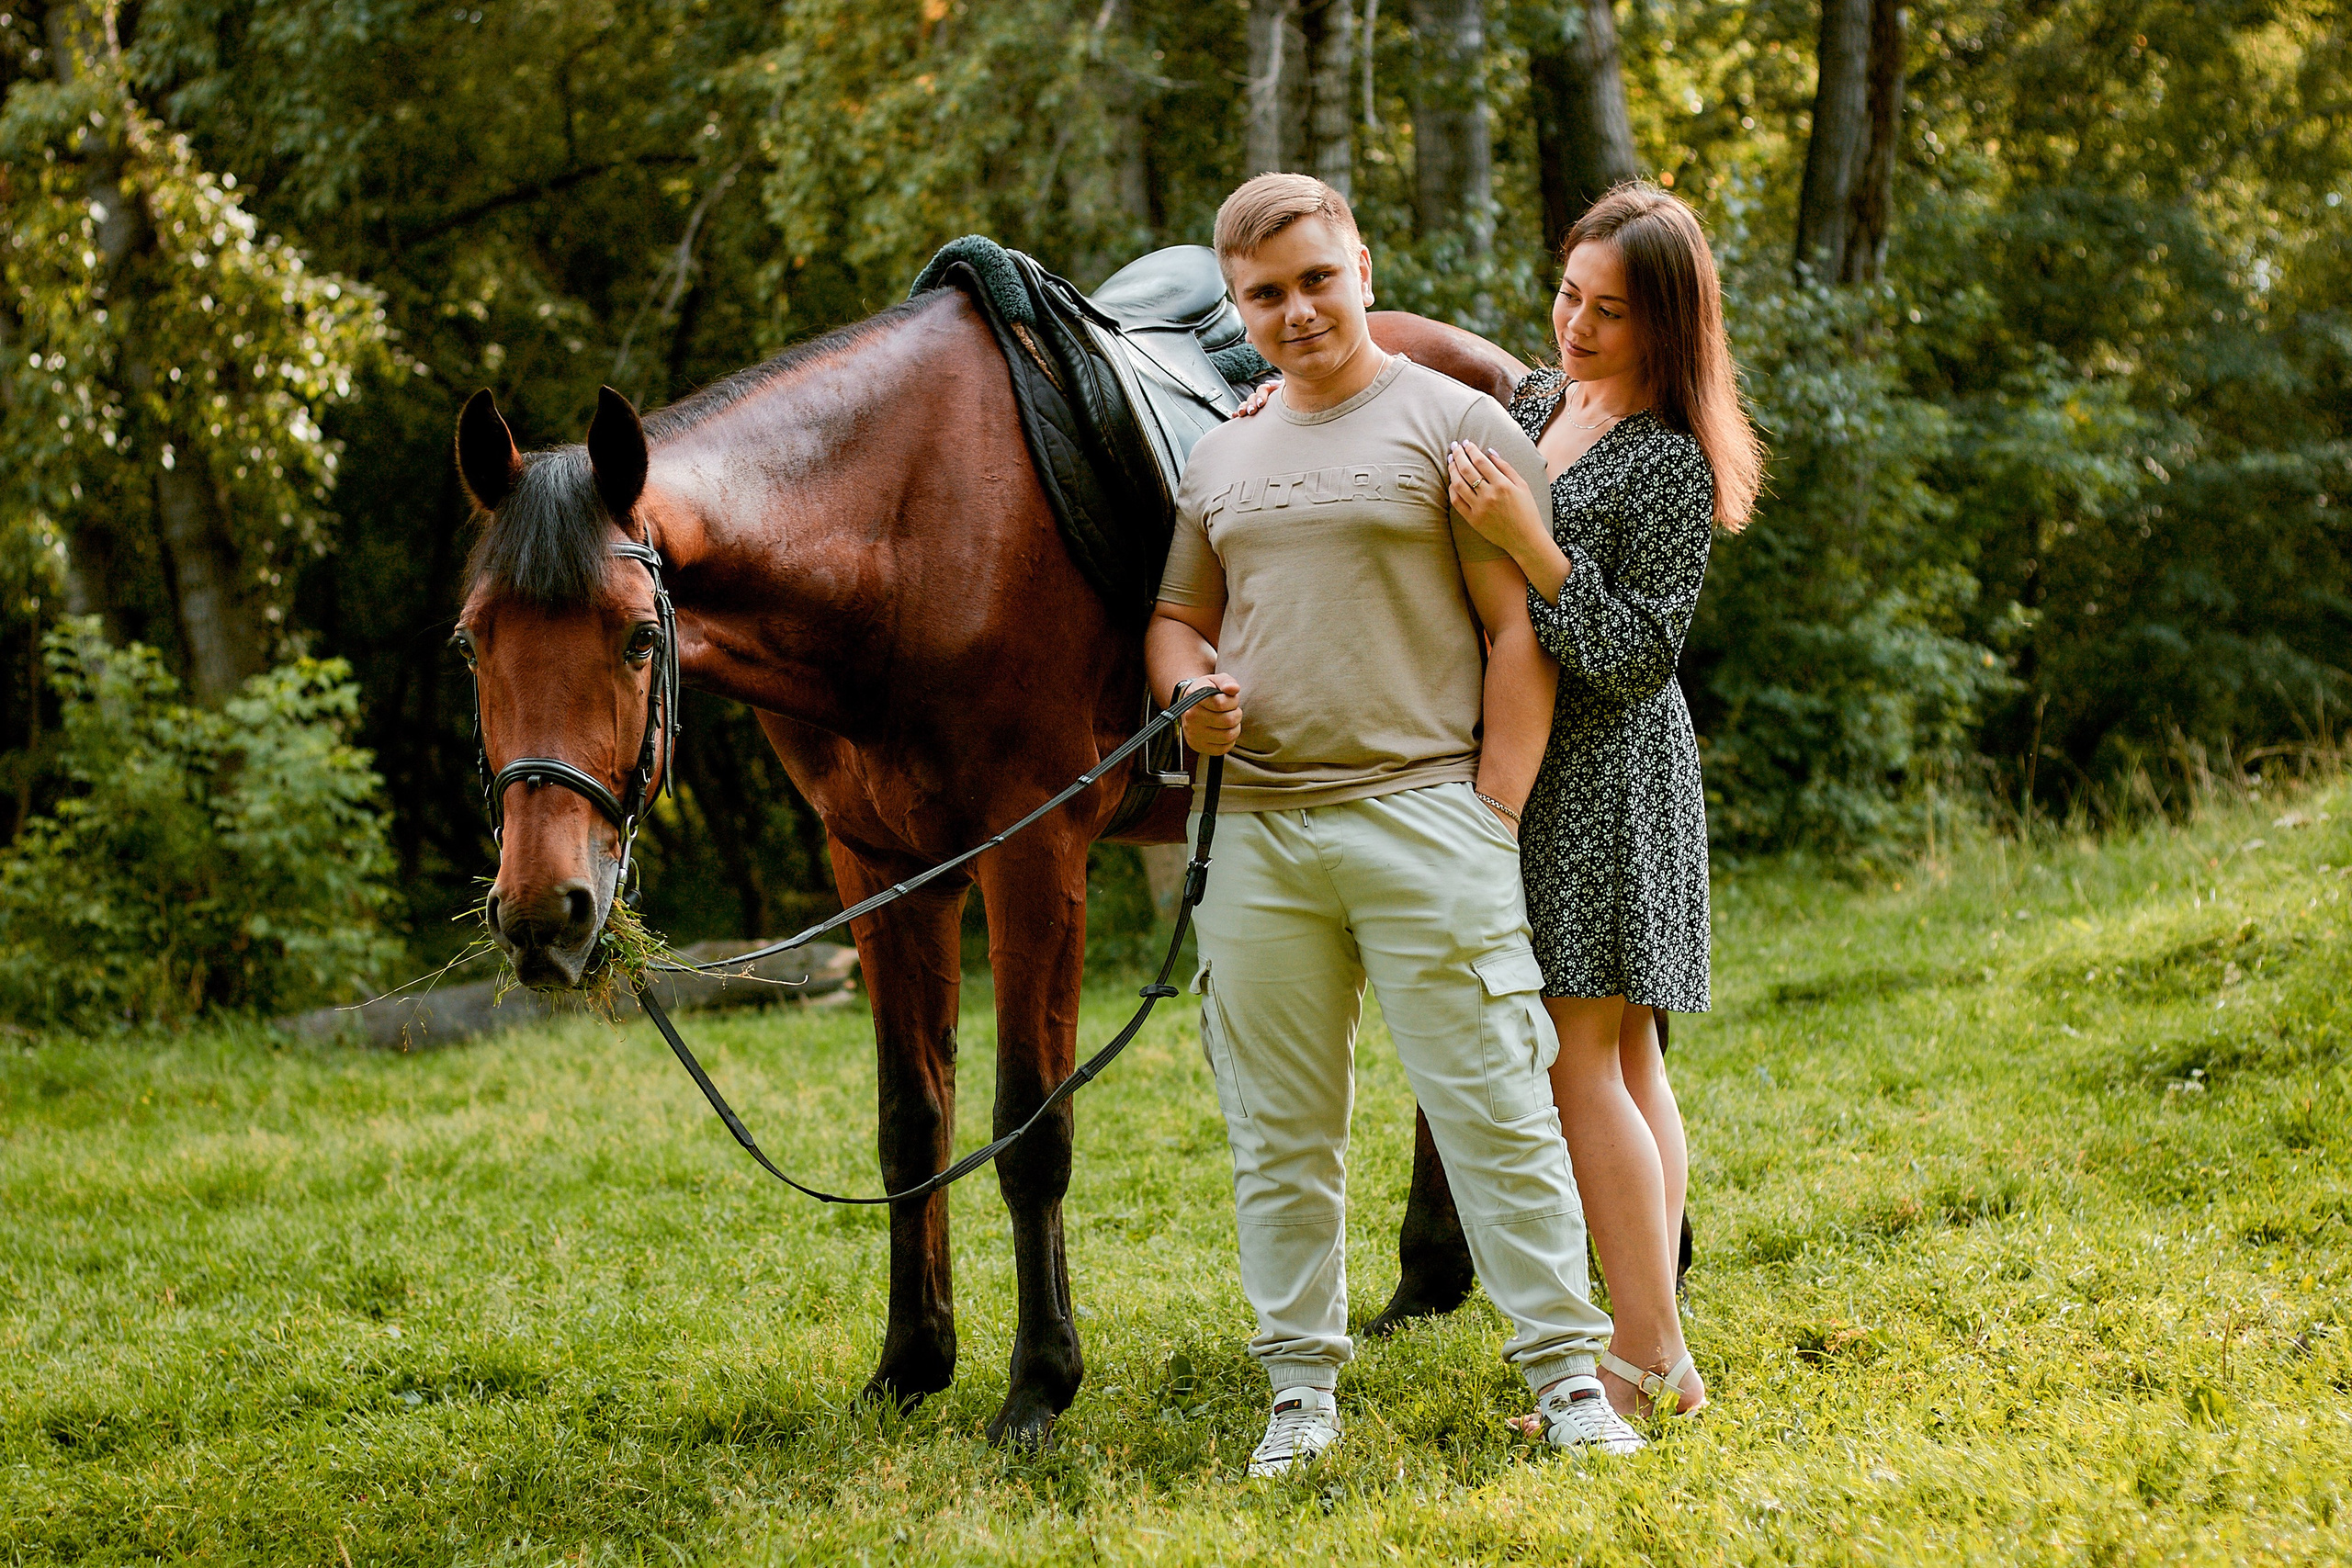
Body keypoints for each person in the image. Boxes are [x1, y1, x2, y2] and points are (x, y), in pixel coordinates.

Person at [1148, 171, 1645, 1478]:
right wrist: (1188, 688)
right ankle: (1300, 1395)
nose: (1297, 310)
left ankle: (1570, 1381)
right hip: (1258, 837)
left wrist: (1494, 814)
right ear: (1237, 307)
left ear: (1361, 266)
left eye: (1317, 278)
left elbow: (1513, 629)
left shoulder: (1458, 424)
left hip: (1429, 818)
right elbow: (1176, 619)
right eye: (1265, 293)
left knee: (1495, 1110)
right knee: (1280, 1132)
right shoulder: (1221, 452)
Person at [1444, 182, 1761, 1421]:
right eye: (1570, 295)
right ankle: (1657, 1350)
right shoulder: (1541, 399)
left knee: (1591, 1062)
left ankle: (1641, 1357)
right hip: (1560, 768)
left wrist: (1535, 546)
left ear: (1668, 326)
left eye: (1611, 312)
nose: (1577, 326)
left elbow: (1638, 655)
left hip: (1611, 776)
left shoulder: (1672, 465)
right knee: (1620, 1059)